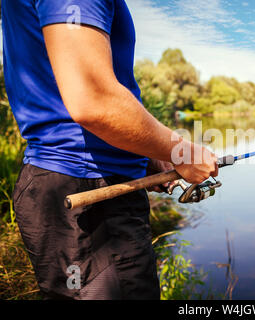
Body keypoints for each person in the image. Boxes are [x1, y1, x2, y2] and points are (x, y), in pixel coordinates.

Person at [2, 0, 218, 300]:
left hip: (76, 188)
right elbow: (93, 100)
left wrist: (146, 156)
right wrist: (181, 152)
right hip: (87, 198)